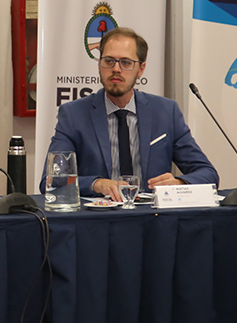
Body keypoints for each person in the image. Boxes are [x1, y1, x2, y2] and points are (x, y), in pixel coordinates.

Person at [45, 27, 218, 201]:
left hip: (151, 215)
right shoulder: (74, 115)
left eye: (126, 63)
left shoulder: (166, 112)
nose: (116, 69)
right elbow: (51, 180)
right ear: (99, 65)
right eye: (109, 61)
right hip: (100, 215)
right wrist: (97, 184)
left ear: (141, 69)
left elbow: (208, 173)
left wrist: (179, 184)